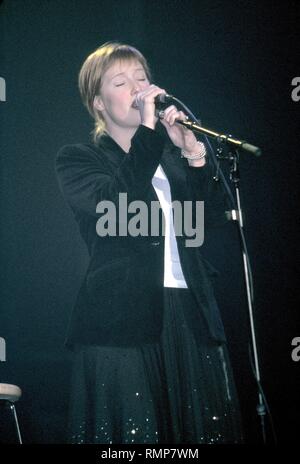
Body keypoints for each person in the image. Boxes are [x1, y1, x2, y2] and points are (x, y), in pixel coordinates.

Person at [55, 41, 243, 444]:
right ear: (99, 104)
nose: (139, 89)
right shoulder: (79, 159)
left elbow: (206, 224)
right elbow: (115, 209)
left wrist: (193, 156)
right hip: (121, 320)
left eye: (142, 78)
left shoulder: (171, 161)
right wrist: (149, 133)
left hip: (188, 312)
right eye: (121, 82)